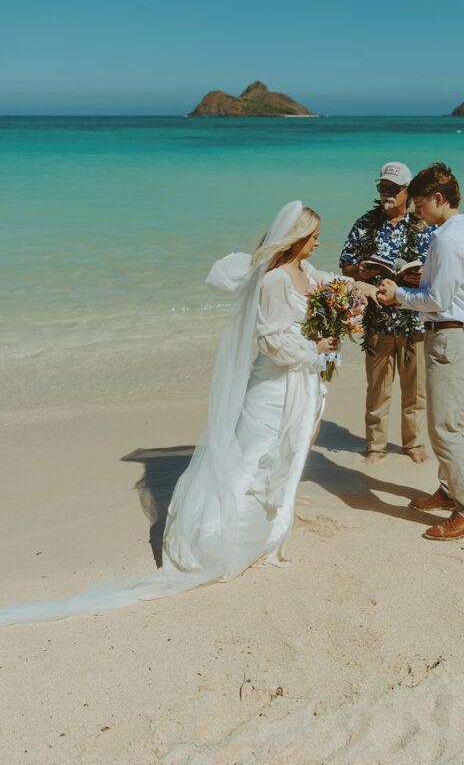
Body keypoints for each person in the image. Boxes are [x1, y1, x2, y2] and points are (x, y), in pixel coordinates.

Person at [0, 202, 376, 626]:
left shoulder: (305, 273)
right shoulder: (273, 281)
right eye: (313, 237)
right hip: (274, 387)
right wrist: (316, 348)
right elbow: (272, 343)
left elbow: (333, 283)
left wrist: (367, 290)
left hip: (302, 382)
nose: (318, 243)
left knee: (284, 453)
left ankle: (273, 521)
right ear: (294, 240)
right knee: (254, 455)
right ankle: (219, 538)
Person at [377, 163, 464, 540]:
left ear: (439, 199)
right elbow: (445, 289)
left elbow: (438, 298)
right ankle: (448, 489)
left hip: (449, 338)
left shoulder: (446, 239)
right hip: (454, 336)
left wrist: (398, 294)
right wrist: (419, 278)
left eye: (420, 203)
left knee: (443, 429)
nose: (414, 211)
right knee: (451, 423)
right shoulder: (453, 233)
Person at [340, 161, 435, 465]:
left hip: (414, 321)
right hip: (377, 322)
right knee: (377, 391)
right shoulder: (365, 223)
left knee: (415, 392)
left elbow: (440, 271)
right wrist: (361, 270)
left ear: (408, 191)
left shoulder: (425, 225)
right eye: (383, 187)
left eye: (394, 188)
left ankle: (414, 444)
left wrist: (420, 278)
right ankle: (376, 446)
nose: (387, 193)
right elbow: (346, 265)